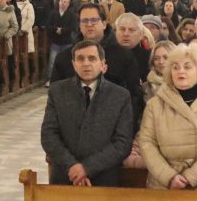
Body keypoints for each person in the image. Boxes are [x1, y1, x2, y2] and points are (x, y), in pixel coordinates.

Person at [136, 44, 197, 191]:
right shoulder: (155, 104)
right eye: (175, 67)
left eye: (187, 67)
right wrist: (170, 177)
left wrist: (190, 177)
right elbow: (146, 142)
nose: (180, 71)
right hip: (163, 185)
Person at [41, 40, 134, 186]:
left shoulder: (120, 96)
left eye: (92, 58)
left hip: (103, 178)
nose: (86, 63)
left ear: (102, 65)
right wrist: (72, 165)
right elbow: (48, 135)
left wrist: (87, 168)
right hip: (65, 176)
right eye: (80, 59)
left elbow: (122, 143)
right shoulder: (57, 91)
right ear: (73, 64)